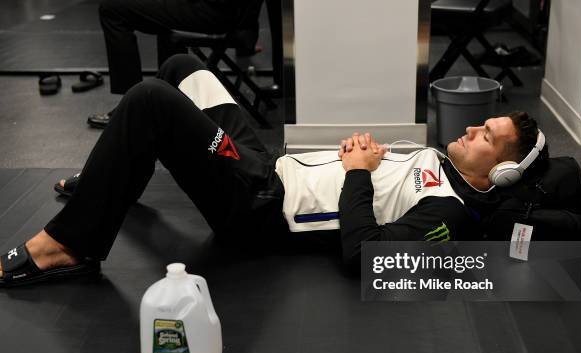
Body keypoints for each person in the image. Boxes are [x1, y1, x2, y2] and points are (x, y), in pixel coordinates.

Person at [0, 54, 544, 286]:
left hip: (257, 206)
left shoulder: (448, 211)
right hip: (265, 166)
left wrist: (357, 169)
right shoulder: (438, 163)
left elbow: (365, 258)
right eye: (480, 126)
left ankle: (69, 247)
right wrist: (364, 162)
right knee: (183, 69)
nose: (472, 130)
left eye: (486, 137)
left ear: (501, 172)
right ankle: (110, 180)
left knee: (149, 98)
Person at [88, 0, 263, 129]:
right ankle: (165, 105)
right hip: (233, 13)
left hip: (217, 12)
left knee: (111, 10)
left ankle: (135, 109)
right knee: (157, 16)